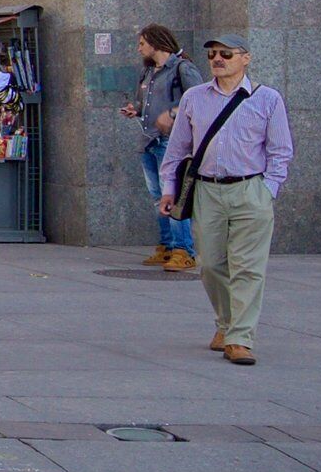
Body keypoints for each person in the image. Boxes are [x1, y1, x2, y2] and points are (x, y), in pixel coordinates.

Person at [157, 36, 293, 366]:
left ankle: (240, 339)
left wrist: (268, 189)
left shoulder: (267, 99)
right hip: (207, 191)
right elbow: (177, 149)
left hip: (250, 190)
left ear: (245, 58)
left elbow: (280, 150)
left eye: (226, 54)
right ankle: (226, 323)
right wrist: (169, 189)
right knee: (211, 265)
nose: (218, 59)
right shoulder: (194, 97)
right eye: (213, 54)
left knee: (248, 267)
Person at [123, 25, 201, 273]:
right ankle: (166, 245)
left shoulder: (182, 68)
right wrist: (135, 109)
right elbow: (143, 102)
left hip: (171, 141)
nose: (139, 49)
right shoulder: (148, 71)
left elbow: (199, 100)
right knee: (159, 196)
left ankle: (184, 250)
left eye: (142, 43)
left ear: (156, 43)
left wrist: (173, 113)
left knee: (174, 195)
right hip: (148, 139)